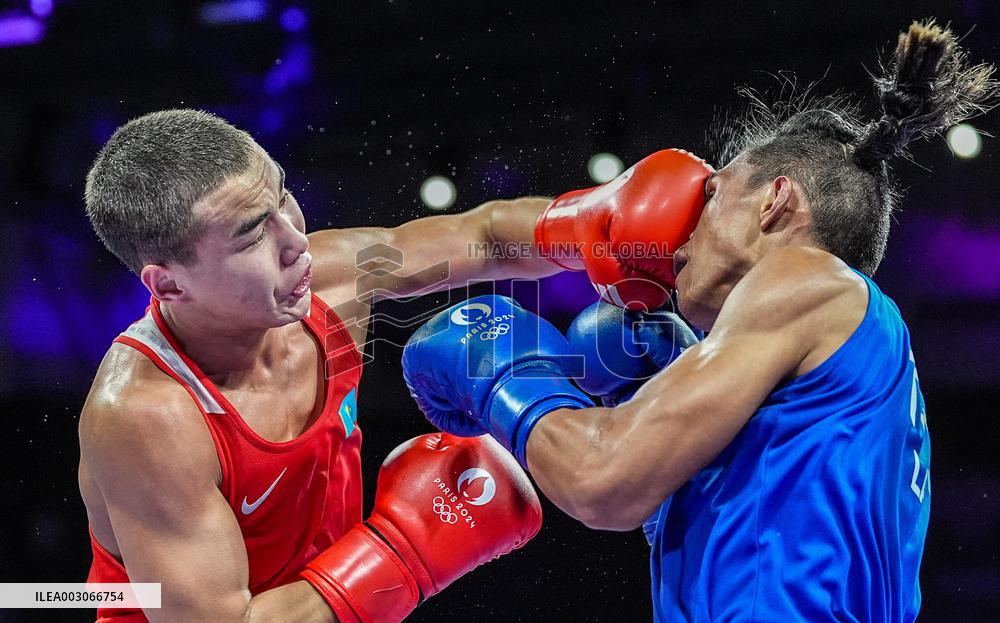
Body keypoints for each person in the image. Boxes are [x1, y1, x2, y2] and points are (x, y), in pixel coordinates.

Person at [401, 20, 998, 621]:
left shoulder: (807, 278)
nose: (683, 230)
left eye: (711, 195)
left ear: (775, 201)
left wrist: (499, 370)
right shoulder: (846, 355)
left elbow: (601, 478)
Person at [77, 107, 594, 622]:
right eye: (254, 235)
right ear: (168, 285)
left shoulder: (328, 284)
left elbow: (488, 238)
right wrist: (403, 548)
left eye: (282, 196)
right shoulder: (148, 416)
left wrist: (607, 226)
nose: (297, 241)